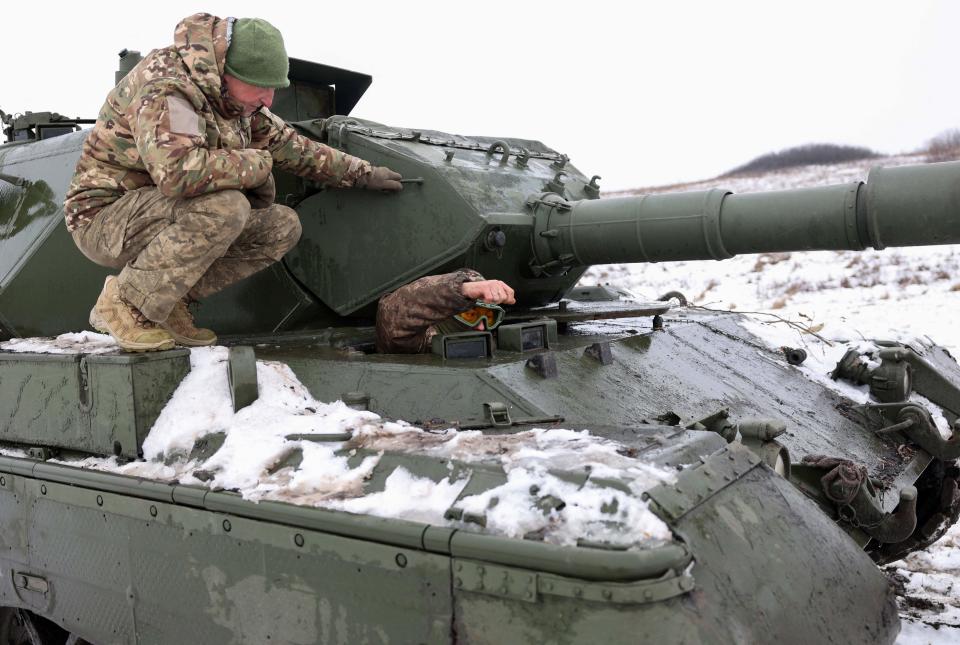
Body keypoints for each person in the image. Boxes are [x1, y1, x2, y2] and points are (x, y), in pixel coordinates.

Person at [64, 13, 402, 351]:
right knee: (226, 206)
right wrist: (255, 165)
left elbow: (293, 146)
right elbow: (179, 173)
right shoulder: (167, 87)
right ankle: (125, 302)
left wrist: (362, 174)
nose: (268, 100)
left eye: (273, 88)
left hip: (161, 212)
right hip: (104, 218)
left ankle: (167, 302)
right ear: (226, 71)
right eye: (260, 87)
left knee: (281, 225)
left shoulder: (234, 100)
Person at [376, 270, 516, 353]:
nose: (481, 326)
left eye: (488, 317)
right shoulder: (427, 344)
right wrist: (463, 290)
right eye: (470, 315)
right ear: (446, 314)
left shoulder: (492, 344)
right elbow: (392, 317)